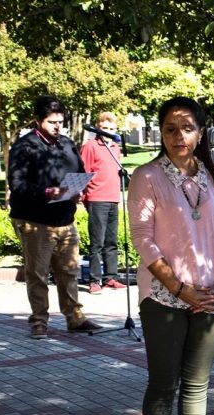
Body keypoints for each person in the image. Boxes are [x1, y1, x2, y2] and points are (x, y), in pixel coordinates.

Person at [129, 97, 214, 415]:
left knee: (197, 386)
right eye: (170, 128)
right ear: (161, 132)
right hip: (164, 299)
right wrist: (180, 290)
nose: (178, 136)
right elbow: (144, 241)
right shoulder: (147, 177)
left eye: (187, 128)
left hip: (208, 297)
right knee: (162, 384)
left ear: (201, 132)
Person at [9, 95, 102, 339]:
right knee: (38, 274)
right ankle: (39, 322)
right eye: (52, 122)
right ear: (38, 120)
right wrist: (49, 192)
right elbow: (17, 184)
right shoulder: (24, 146)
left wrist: (78, 191)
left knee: (69, 270)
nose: (57, 126)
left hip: (65, 218)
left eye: (60, 121)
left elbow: (80, 171)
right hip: (35, 220)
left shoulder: (67, 144)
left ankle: (75, 318)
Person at [81, 111, 129, 294]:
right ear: (98, 128)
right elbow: (83, 172)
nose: (108, 131)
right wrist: (83, 196)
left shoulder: (115, 147)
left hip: (113, 198)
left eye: (111, 128)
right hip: (97, 197)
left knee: (112, 241)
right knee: (97, 243)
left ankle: (111, 277)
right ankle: (94, 280)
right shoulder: (91, 146)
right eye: (104, 128)